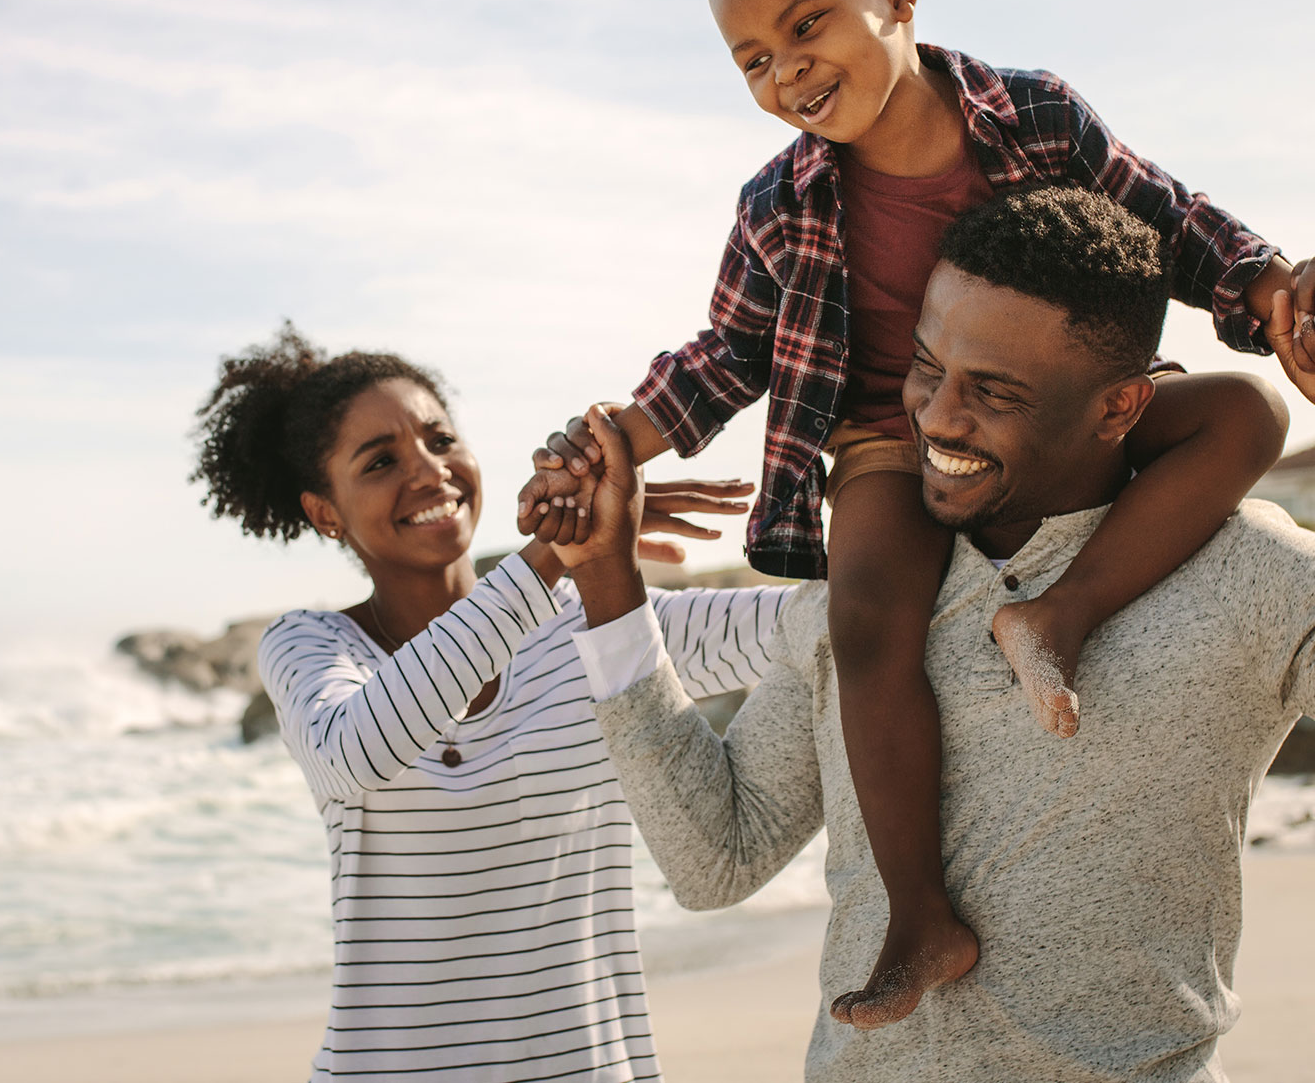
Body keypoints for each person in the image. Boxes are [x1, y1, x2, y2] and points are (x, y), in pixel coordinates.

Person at [519, 0, 1315, 1028]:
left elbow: (1172, 223)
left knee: (1246, 416)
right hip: (887, 438)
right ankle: (918, 913)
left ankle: (1063, 612)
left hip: (1053, 415)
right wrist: (613, 441)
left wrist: (1268, 289)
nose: (785, 73)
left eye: (805, 26)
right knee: (868, 618)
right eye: (750, 60)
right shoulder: (777, 203)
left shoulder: (1035, 116)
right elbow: (728, 356)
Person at [553, 185, 1315, 1082]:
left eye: (993, 391)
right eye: (925, 367)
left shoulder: (1248, 571)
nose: (937, 419)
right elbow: (716, 862)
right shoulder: (867, 595)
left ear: (1119, 408)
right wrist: (608, 583)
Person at [190, 324, 790, 1083]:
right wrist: (552, 553)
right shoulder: (310, 646)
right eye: (381, 461)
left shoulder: (599, 621)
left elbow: (812, 629)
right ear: (325, 512)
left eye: (441, 440)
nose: (430, 472)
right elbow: (357, 752)